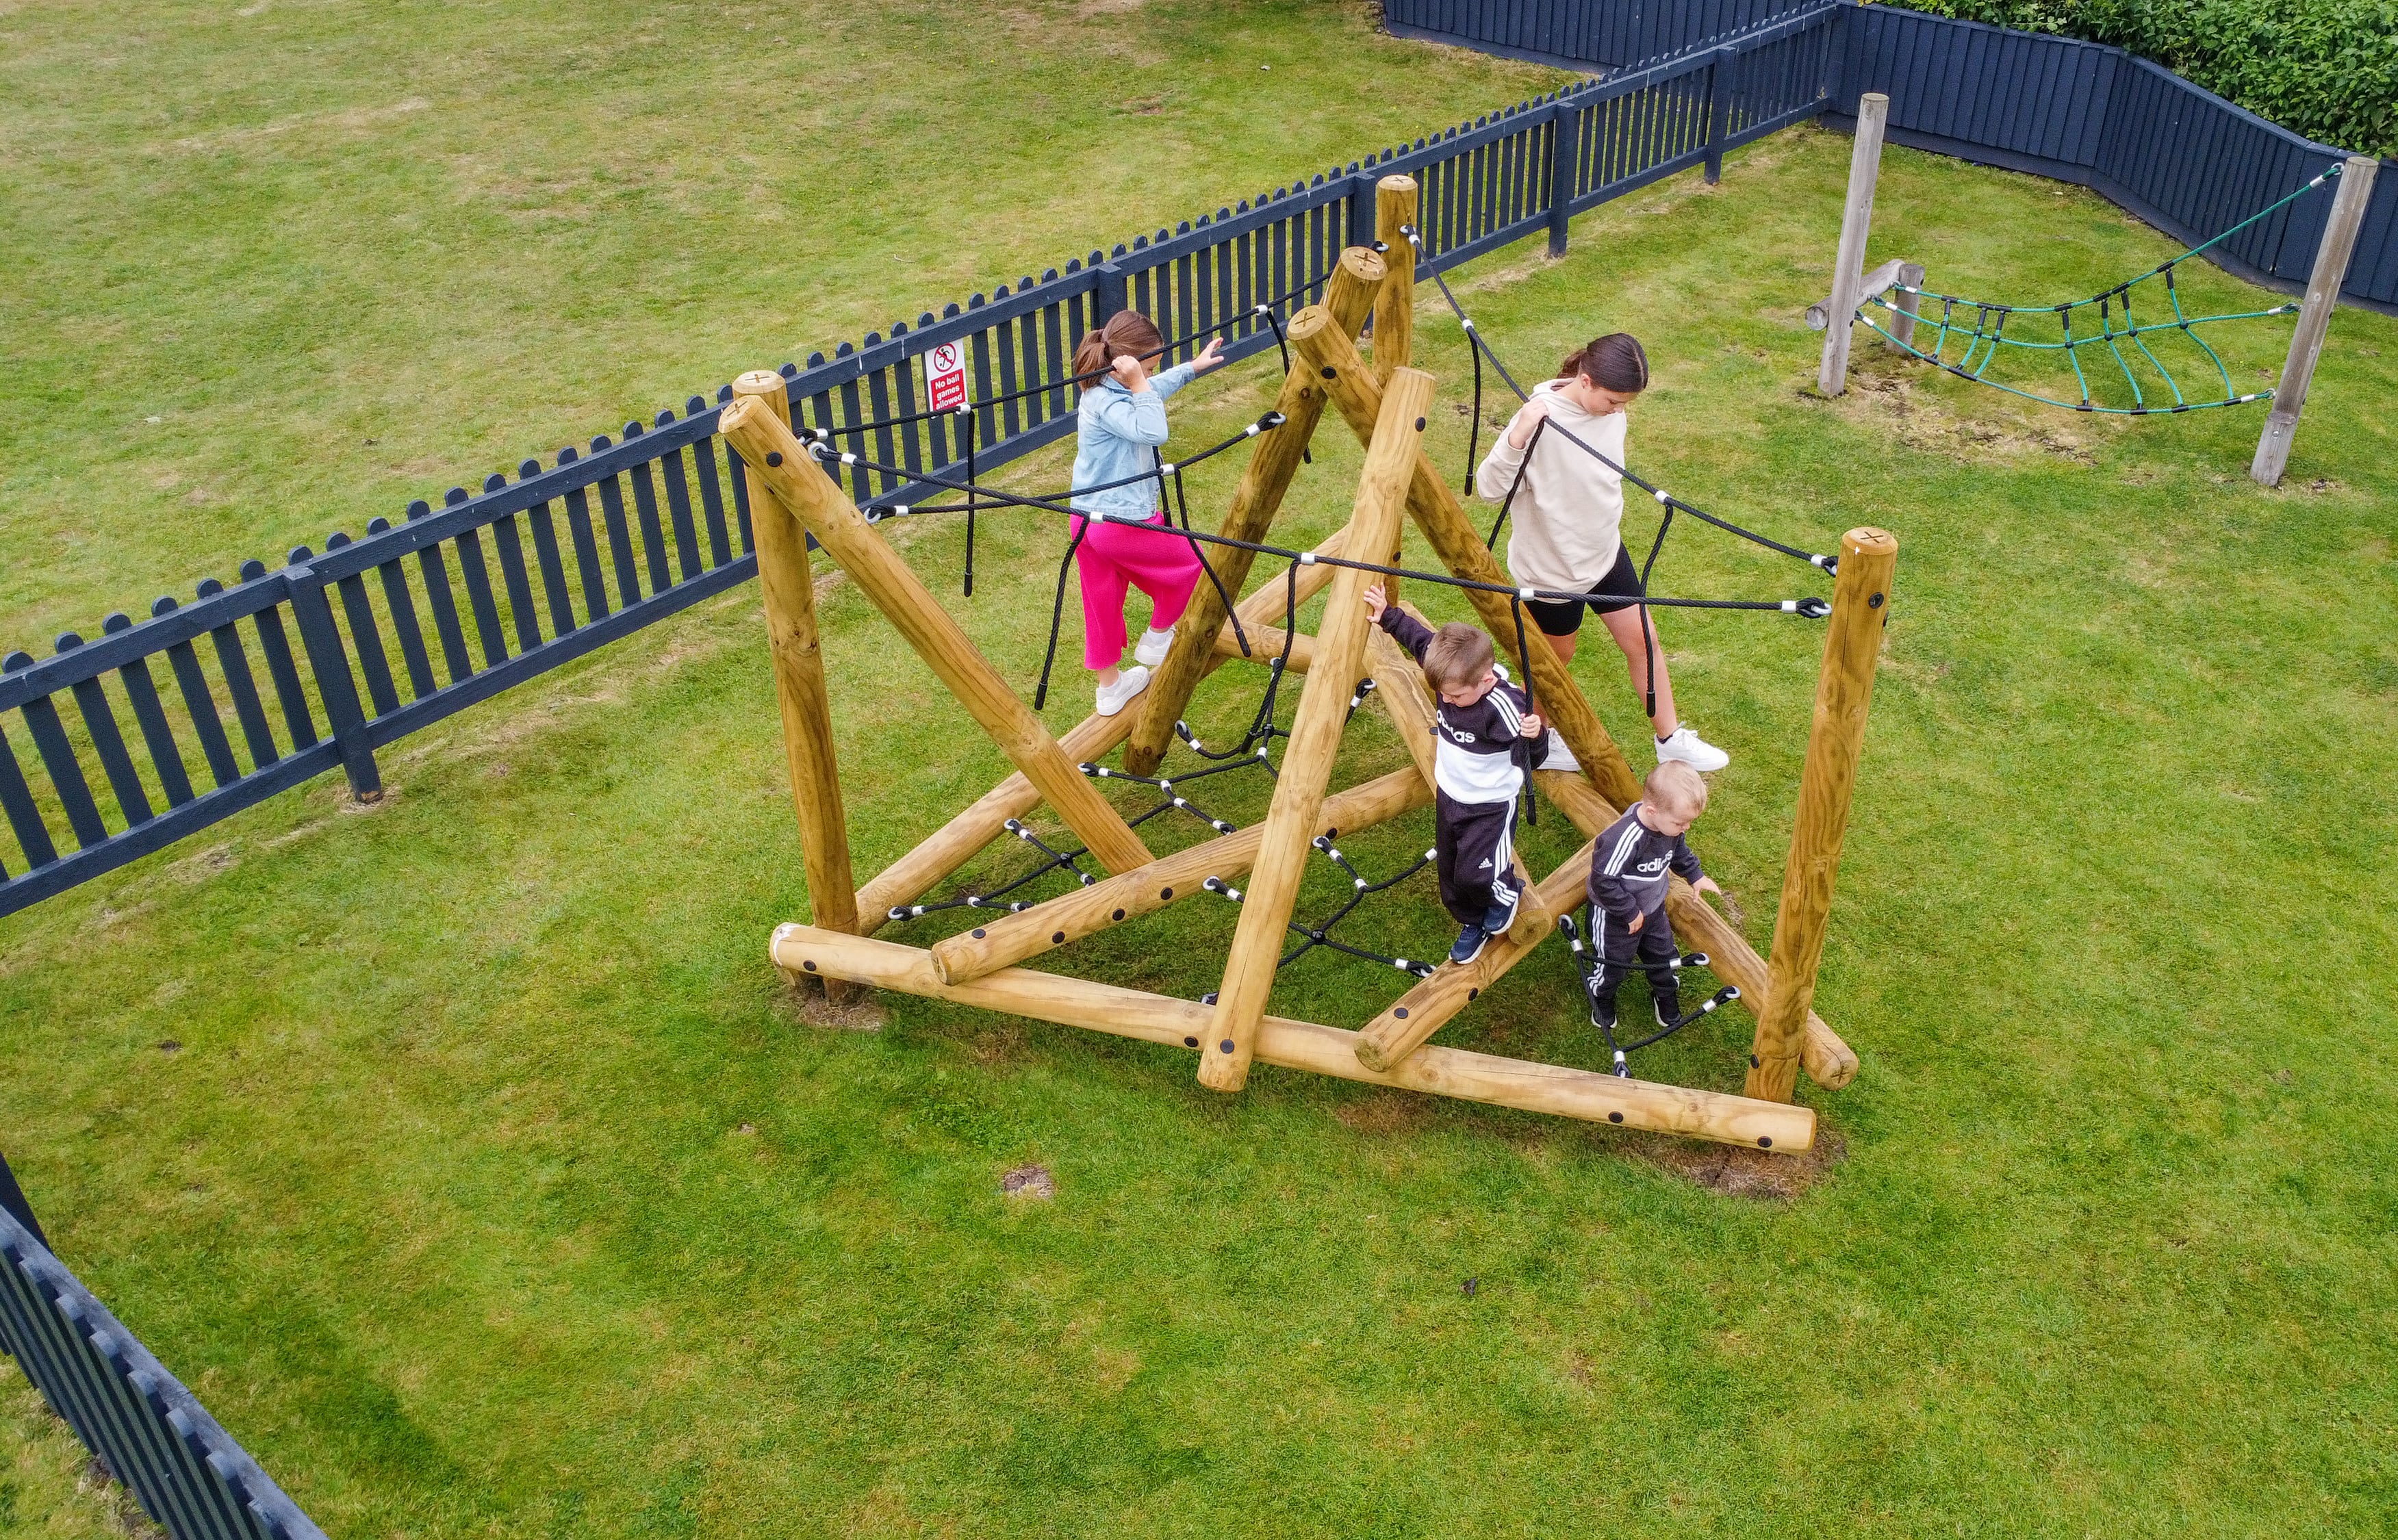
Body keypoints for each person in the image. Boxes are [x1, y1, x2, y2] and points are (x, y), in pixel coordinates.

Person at [1475, 333, 1729, 773]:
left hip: (1605, 554)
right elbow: (1489, 489)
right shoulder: (1540, 422)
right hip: (1553, 572)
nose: (1620, 411)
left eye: (1627, 403)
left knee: (1645, 642)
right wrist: (1516, 438)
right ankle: (1534, 742)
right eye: (1614, 401)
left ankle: (1669, 740)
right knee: (1554, 663)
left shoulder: (1610, 413)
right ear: (1586, 381)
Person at [1364, 583, 1548, 966]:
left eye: (1455, 697)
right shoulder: (1450, 673)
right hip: (1451, 794)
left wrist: (1537, 735)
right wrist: (1387, 615)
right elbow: (1420, 641)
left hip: (1489, 805)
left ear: (1485, 681)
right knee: (1449, 872)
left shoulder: (1505, 709)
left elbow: (1534, 759)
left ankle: (1506, 892)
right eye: (1443, 695)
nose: (1447, 702)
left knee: (1476, 874)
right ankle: (1472, 922)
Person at [1067, 311, 1227, 716]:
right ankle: (1158, 638)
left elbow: (1150, 388)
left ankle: (1110, 689)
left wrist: (1190, 368)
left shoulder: (1105, 388)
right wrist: (1140, 383)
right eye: (1146, 368)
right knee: (1191, 567)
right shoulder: (1108, 403)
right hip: (1120, 520)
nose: (1149, 376)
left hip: (1084, 519)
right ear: (1126, 367)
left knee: (1100, 603)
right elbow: (1153, 430)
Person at [1584, 760, 1725, 1031]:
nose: (1686, 828)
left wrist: (1696, 876)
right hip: (1614, 916)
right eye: (1681, 823)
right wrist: (1629, 912)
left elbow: (1679, 852)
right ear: (1652, 810)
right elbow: (1603, 880)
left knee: (1664, 956)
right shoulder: (1624, 839)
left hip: (1652, 910)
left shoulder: (1668, 828)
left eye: (1689, 822)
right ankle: (1602, 996)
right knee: (1614, 963)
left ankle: (1665, 992)